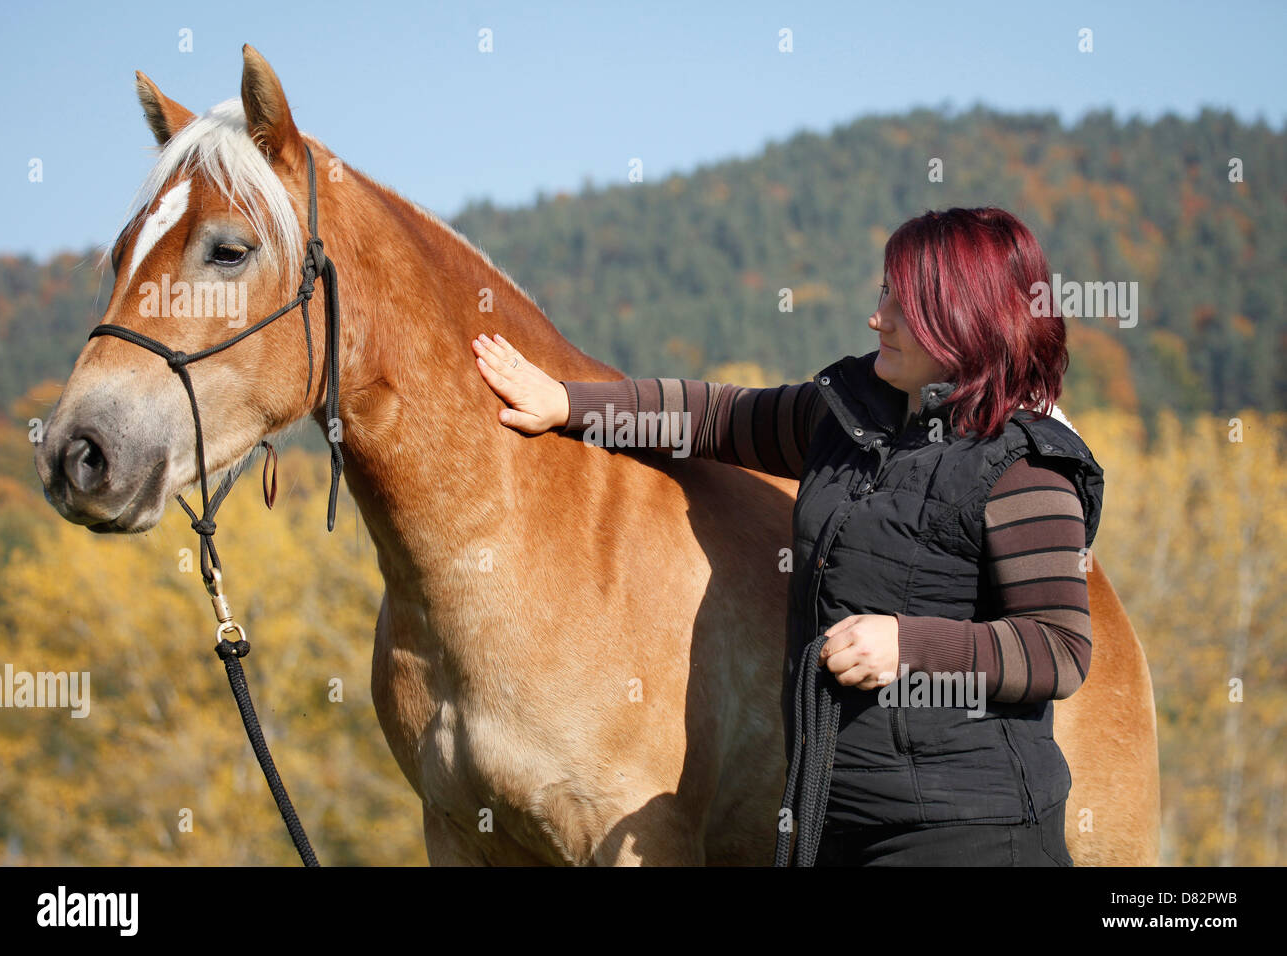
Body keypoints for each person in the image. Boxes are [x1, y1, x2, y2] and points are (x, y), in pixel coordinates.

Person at [470, 207, 1103, 867]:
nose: (877, 317)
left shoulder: (1026, 467)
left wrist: (908, 644)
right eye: (883, 293)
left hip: (972, 834)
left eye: (903, 304)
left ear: (966, 318)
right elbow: (715, 415)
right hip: (831, 824)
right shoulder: (849, 419)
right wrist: (570, 404)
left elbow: (1059, 648)